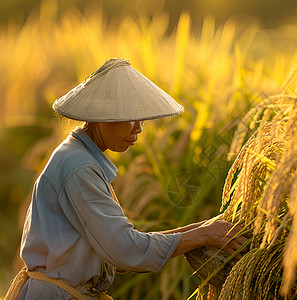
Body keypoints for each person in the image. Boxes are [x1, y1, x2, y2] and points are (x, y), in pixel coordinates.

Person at [5, 58, 247, 299]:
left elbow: (122, 246)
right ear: (101, 117)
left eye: (141, 118)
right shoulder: (79, 168)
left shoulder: (78, 156)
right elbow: (127, 251)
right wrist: (203, 235)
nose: (138, 128)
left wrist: (205, 228)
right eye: (130, 117)